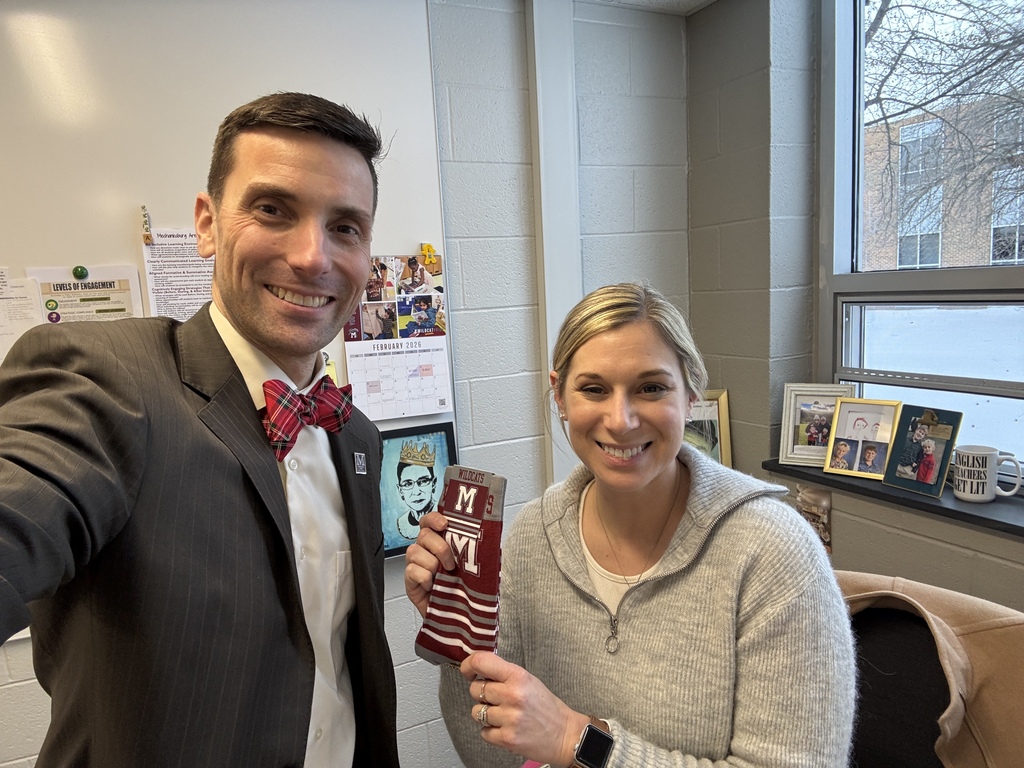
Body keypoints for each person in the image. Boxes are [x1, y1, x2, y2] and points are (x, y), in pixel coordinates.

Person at [0, 92, 399, 768]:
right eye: (274, 210)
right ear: (207, 225)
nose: (312, 257)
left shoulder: (355, 437)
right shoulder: (107, 379)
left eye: (346, 227)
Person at [405, 283, 856, 767]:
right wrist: (459, 636)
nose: (620, 421)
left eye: (650, 388)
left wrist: (577, 741)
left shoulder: (773, 554)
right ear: (559, 396)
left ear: (690, 396)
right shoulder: (533, 537)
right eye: (593, 389)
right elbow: (492, 759)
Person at [394, 440, 440, 540]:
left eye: (423, 481)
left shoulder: (443, 514)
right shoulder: (402, 524)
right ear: (401, 491)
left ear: (434, 483)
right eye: (407, 484)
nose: (416, 492)